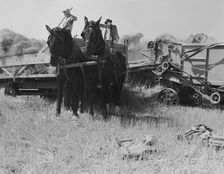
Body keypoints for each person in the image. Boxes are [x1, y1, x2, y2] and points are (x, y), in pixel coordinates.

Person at [61, 8, 77, 110]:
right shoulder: (64, 19)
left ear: (67, 12)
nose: (64, 13)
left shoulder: (70, 17)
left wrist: (70, 14)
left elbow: (76, 18)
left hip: (67, 34)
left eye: (65, 12)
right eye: (64, 12)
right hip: (63, 33)